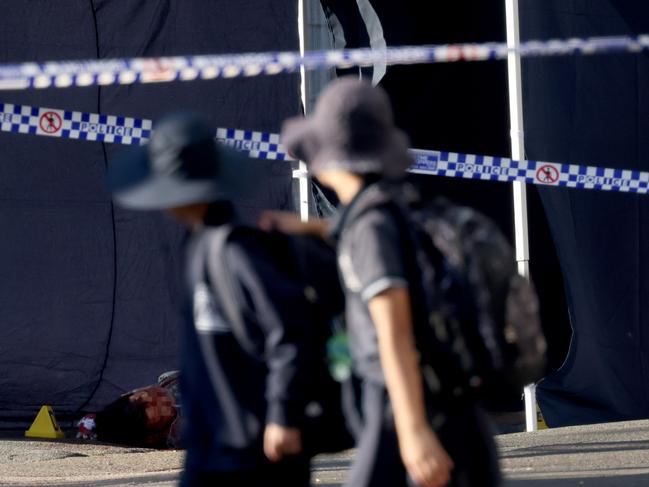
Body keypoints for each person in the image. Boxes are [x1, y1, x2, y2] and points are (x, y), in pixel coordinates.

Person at [277, 77, 501, 487]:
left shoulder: (370, 227)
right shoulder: (388, 206)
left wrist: (413, 429)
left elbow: (393, 330)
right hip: (432, 398)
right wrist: (315, 231)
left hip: (405, 401)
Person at [106, 113, 323, 487]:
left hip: (257, 441)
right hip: (212, 441)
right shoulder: (196, 249)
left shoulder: (240, 252)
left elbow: (290, 332)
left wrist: (283, 415)